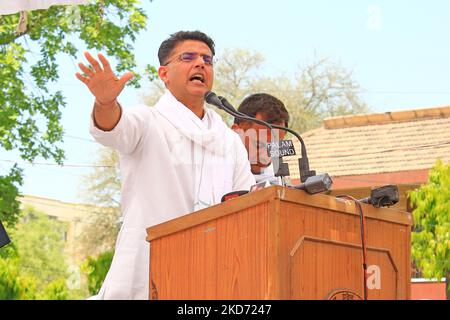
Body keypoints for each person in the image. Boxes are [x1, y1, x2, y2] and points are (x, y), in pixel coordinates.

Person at [75, 31, 255, 299]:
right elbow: (111, 128)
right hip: (147, 268)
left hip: (213, 272)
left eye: (207, 59)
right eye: (188, 57)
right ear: (164, 74)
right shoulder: (148, 121)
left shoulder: (229, 141)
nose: (200, 64)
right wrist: (105, 102)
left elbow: (248, 204)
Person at [231, 93, 290, 184]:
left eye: (273, 147)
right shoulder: (211, 172)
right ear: (236, 132)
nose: (265, 157)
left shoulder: (280, 181)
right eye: (258, 145)